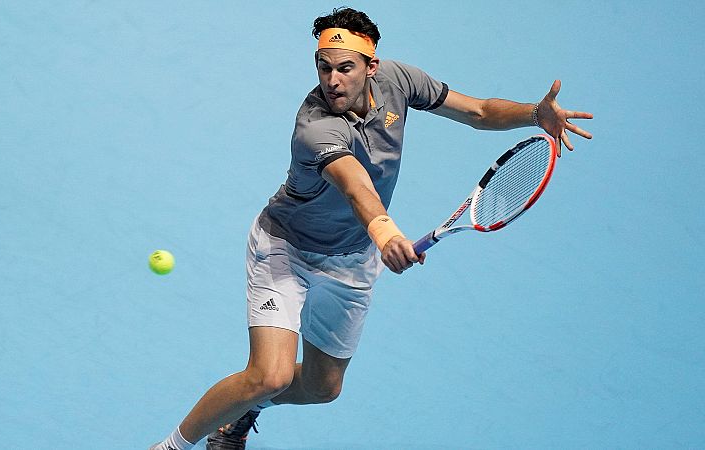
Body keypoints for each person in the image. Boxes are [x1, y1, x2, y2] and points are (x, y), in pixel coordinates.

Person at [151, 7, 592, 450]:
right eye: (324, 67)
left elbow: (477, 111)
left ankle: (242, 412)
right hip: (287, 250)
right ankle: (170, 446)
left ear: (372, 66)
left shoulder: (400, 81)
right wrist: (387, 235)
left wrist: (534, 114)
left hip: (351, 260)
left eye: (345, 68)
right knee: (270, 375)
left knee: (323, 387)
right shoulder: (315, 127)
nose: (332, 80)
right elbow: (354, 185)